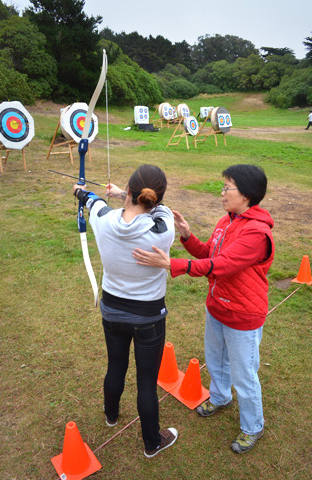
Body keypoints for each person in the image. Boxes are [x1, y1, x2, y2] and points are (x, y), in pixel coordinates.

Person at [133, 164, 275, 454]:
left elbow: (221, 266)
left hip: (243, 315)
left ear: (246, 195)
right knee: (216, 358)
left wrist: (172, 264)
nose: (221, 193)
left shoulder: (257, 234)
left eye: (227, 188)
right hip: (218, 307)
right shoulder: (227, 221)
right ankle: (220, 397)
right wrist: (187, 236)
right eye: (222, 186)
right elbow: (210, 253)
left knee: (244, 374)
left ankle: (253, 425)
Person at [73, 164, 178, 458]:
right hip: (148, 318)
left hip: (112, 312)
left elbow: (91, 201)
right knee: (146, 381)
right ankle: (151, 443)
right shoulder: (162, 229)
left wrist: (82, 192)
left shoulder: (103, 219)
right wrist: (124, 194)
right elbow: (161, 210)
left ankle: (111, 415)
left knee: (115, 366)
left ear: (130, 192)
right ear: (155, 199)